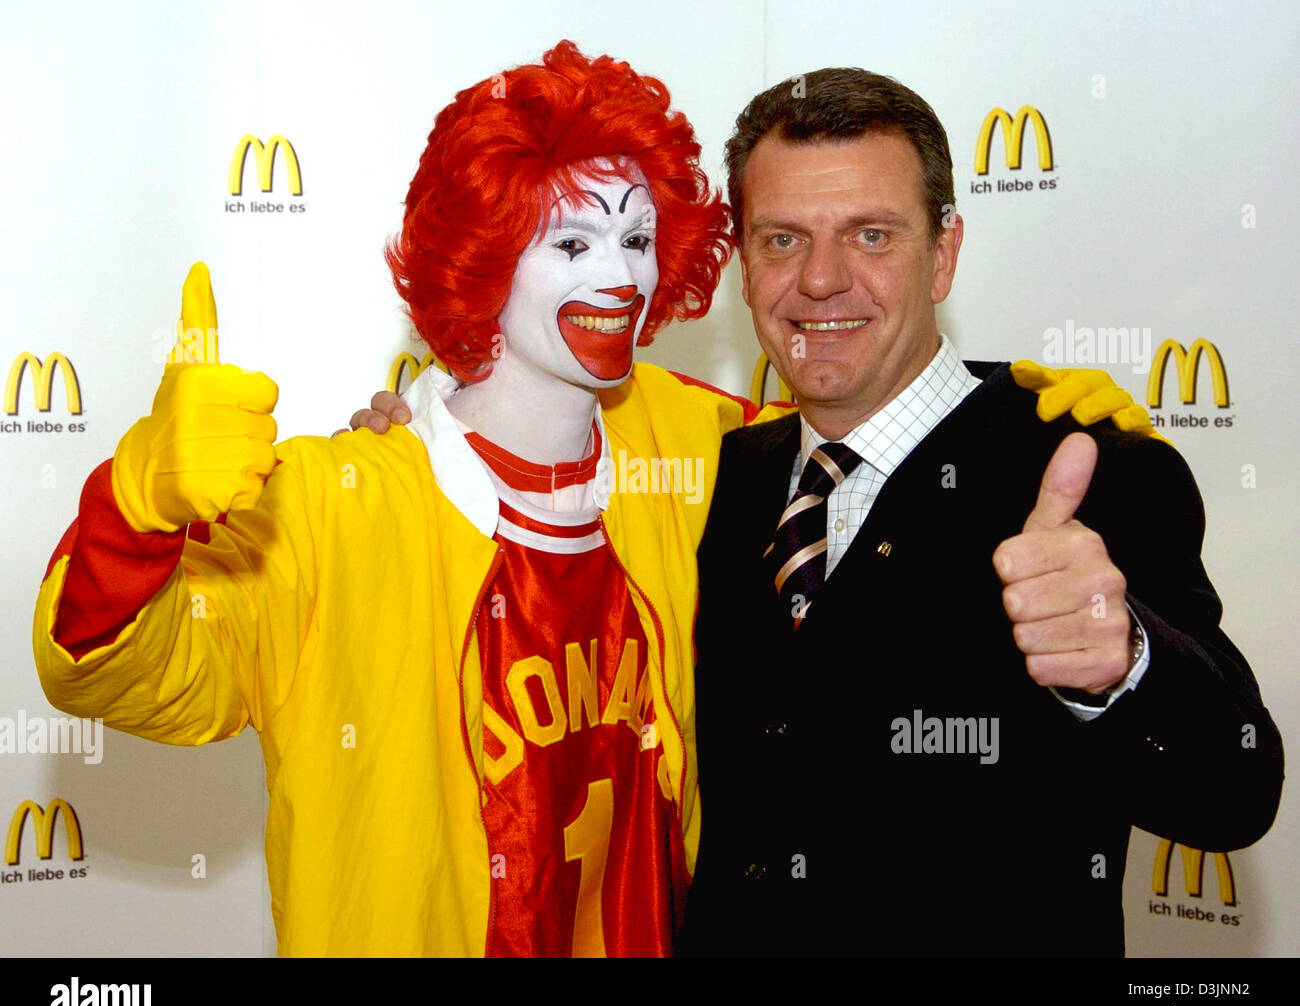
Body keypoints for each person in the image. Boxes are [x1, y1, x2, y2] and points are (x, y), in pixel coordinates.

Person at [32, 40, 797, 957]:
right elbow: (122, 671)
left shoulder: (689, 443)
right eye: (572, 241)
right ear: (483, 253)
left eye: (637, 239)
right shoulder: (333, 505)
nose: (621, 277)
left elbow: (860, 459)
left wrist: (1007, 436)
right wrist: (134, 509)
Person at [667, 67, 1283, 956]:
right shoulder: (715, 478)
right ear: (742, 259)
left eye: (870, 235)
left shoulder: (1092, 470)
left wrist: (1125, 663)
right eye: (781, 239)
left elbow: (1236, 787)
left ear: (944, 252)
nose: (821, 280)